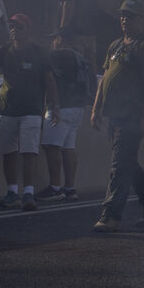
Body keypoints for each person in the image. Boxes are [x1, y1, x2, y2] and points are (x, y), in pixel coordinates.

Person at [90, 0, 144, 232]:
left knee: (119, 167)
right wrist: (96, 108)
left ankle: (111, 216)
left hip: (133, 116)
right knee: (127, 164)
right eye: (123, 14)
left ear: (141, 20)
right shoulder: (115, 46)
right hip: (114, 114)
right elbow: (104, 78)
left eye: (130, 15)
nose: (125, 19)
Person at [0, 13, 59, 211]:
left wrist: (55, 106)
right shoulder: (5, 50)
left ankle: (28, 193)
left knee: (29, 153)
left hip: (32, 111)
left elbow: (50, 81)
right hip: (6, 109)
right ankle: (11, 192)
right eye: (12, 27)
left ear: (29, 30)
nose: (14, 31)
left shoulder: (40, 53)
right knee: (8, 153)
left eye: (19, 27)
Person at [36, 26, 92, 202]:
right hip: (77, 108)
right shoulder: (80, 57)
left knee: (51, 146)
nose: (53, 42)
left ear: (61, 39)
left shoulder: (58, 55)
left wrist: (54, 106)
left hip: (60, 107)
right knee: (68, 148)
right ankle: (70, 188)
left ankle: (55, 187)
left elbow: (44, 74)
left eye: (55, 38)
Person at [57, 0, 100, 73]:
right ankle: (93, 90)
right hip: (90, 34)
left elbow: (69, 4)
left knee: (70, 68)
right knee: (90, 69)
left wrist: (62, 31)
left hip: (73, 36)